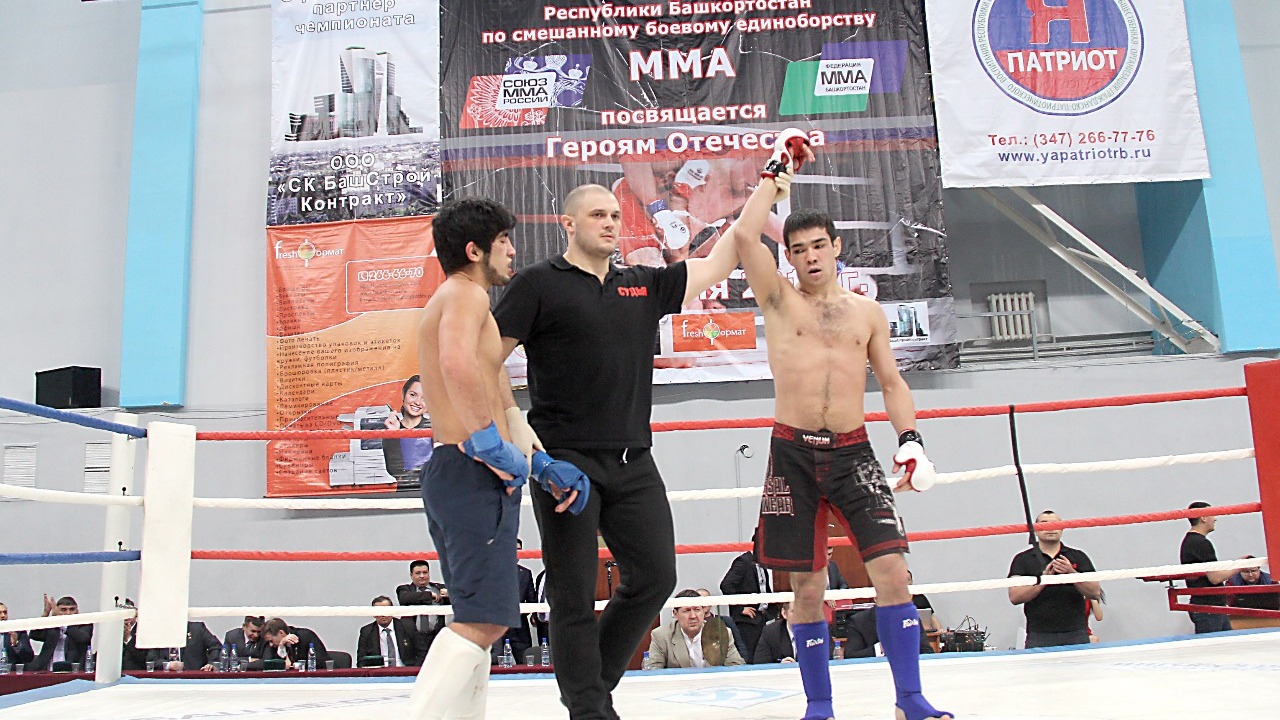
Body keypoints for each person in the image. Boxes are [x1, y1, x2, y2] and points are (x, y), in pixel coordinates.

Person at [492, 172, 756, 720]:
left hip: (635, 460)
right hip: (565, 463)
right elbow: (485, 358)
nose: (610, 223)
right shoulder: (538, 283)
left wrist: (769, 188)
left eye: (614, 215)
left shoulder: (642, 283)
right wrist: (522, 435)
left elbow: (719, 261)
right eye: (598, 215)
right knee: (571, 595)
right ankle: (589, 709)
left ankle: (590, 687)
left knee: (656, 577)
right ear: (568, 224)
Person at [735, 129, 950, 720]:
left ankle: (910, 700)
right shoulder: (778, 301)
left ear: (836, 247)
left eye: (817, 246)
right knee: (806, 588)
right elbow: (744, 236)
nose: (809, 256)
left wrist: (911, 441)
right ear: (789, 256)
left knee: (893, 572)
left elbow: (893, 382)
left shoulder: (867, 313)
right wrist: (776, 170)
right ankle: (819, 707)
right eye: (798, 248)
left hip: (855, 453)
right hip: (792, 454)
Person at [409, 196, 539, 720]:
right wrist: (488, 442)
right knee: (483, 620)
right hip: (469, 468)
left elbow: (485, 372)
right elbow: (456, 363)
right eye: (503, 240)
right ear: (474, 250)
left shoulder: (458, 299)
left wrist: (516, 434)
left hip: (463, 469)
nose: (512, 251)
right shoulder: (465, 294)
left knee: (480, 616)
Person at [1008, 510, 1102, 648]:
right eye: (1044, 523)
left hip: (1076, 633)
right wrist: (1043, 580)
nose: (1050, 527)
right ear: (1035, 530)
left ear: (1062, 528)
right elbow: (1014, 597)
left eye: (1055, 523)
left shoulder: (1078, 556)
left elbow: (1095, 592)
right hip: (1039, 634)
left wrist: (1072, 574)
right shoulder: (1023, 559)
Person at [642, 590, 745, 669]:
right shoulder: (661, 636)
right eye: (686, 611)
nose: (693, 616)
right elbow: (652, 670)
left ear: (704, 611)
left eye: (697, 610)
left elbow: (736, 666)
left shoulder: (722, 633)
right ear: (675, 614)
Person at [719, 534, 778, 663]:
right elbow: (726, 585)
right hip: (747, 621)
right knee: (750, 656)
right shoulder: (743, 561)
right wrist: (740, 608)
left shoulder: (762, 565)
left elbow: (763, 588)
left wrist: (770, 612)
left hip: (761, 618)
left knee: (763, 656)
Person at [1180, 501, 1234, 633]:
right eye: (1212, 514)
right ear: (1203, 518)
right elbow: (1215, 577)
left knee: (1225, 643)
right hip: (1208, 607)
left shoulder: (1193, 542)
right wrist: (1240, 566)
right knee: (1215, 644)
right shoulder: (1200, 543)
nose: (1215, 518)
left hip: (1212, 606)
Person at [382, 374, 433, 489]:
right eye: (413, 395)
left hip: (432, 491)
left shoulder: (434, 428)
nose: (418, 402)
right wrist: (393, 434)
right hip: (406, 493)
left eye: (424, 398)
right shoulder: (392, 428)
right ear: (403, 395)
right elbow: (396, 471)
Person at [494, 538, 536, 664]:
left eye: (519, 550)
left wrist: (523, 611)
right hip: (497, 625)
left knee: (525, 661)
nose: (516, 553)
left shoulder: (525, 573)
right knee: (496, 661)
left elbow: (532, 600)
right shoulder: (492, 572)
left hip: (519, 626)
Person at [357, 596, 427, 667]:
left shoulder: (408, 626)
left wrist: (414, 670)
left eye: (386, 611)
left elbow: (422, 652)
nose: (383, 615)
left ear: (393, 611)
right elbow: (361, 660)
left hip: (405, 669)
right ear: (373, 614)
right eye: (379, 611)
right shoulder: (367, 631)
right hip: (379, 671)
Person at [29, 595, 93, 671]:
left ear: (77, 611)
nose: (68, 613)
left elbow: (83, 638)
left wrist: (64, 624)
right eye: (63, 610)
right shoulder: (52, 625)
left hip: (73, 669)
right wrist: (45, 613)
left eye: (72, 609)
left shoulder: (85, 624)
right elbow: (34, 635)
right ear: (57, 610)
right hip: (49, 669)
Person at [397, 559, 449, 649]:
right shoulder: (405, 589)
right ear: (411, 575)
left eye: (425, 572)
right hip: (414, 639)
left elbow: (460, 601)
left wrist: (451, 594)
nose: (422, 576)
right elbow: (404, 598)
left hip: (437, 637)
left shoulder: (440, 588)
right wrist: (429, 595)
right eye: (418, 573)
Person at [149, 621, 222, 671]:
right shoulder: (158, 632)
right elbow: (151, 660)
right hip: (165, 681)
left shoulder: (197, 629)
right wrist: (169, 665)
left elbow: (216, 646)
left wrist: (211, 664)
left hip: (194, 679)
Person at [261, 617, 329, 669]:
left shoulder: (306, 636)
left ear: (281, 633)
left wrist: (297, 665)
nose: (270, 645)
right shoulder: (275, 645)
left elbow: (322, 662)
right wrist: (281, 646)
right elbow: (270, 664)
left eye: (271, 641)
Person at [0, 602, 35, 667]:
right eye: (0, 613)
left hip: (10, 671)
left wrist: (16, 644)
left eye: (5, 612)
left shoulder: (17, 632)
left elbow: (29, 658)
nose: (3, 616)